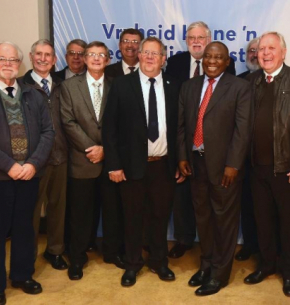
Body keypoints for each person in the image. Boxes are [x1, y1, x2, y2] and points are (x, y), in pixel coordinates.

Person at [103, 36, 183, 287]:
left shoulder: (174, 85)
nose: (149, 57)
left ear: (163, 58)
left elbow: (181, 128)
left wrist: (181, 161)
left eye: (154, 53)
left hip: (163, 165)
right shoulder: (121, 85)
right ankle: (133, 264)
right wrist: (114, 164)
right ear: (138, 55)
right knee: (133, 217)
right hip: (130, 166)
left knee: (160, 216)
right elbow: (110, 129)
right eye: (145, 52)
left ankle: (159, 262)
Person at [243, 32, 290, 297]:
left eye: (271, 48)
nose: (265, 53)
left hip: (288, 170)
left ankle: (289, 273)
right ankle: (266, 265)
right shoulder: (251, 81)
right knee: (262, 221)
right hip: (256, 168)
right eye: (262, 49)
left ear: (283, 52)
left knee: (288, 224)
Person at [177, 41, 252, 296]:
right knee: (204, 219)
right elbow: (182, 126)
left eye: (217, 57)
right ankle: (206, 265)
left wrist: (233, 165)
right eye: (207, 56)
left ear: (227, 61)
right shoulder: (189, 86)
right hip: (195, 163)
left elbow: (243, 132)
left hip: (224, 168)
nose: (211, 61)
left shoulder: (240, 88)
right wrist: (182, 156)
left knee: (224, 221)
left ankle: (219, 274)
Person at [165, 21, 236, 259]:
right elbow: (177, 112)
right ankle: (185, 240)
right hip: (186, 145)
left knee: (215, 208)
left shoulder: (227, 68)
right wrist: (180, 153)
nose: (196, 41)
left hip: (217, 152)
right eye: (191, 37)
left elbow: (229, 111)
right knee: (186, 199)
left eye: (200, 38)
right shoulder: (175, 63)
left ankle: (214, 257)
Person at [60, 41, 124, 281]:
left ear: (108, 60)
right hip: (82, 160)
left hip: (110, 161)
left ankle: (112, 253)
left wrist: (106, 150)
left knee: (112, 212)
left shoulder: (116, 86)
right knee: (79, 214)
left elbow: (121, 123)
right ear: (84, 59)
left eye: (102, 55)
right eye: (92, 55)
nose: (97, 59)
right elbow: (68, 121)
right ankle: (76, 258)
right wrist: (92, 148)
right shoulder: (68, 87)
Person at [0, 41, 54, 304]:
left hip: (30, 174)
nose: (8, 64)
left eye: (12, 60)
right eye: (2, 59)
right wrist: (9, 165)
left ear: (20, 63)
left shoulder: (34, 94)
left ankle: (22, 275)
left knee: (25, 228)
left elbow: (48, 132)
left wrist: (33, 164)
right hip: (2, 176)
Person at [19, 39, 70, 270]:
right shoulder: (21, 86)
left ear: (54, 59)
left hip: (60, 158)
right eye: (38, 54)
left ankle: (55, 251)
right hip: (33, 162)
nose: (43, 58)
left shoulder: (61, 85)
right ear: (31, 57)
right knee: (30, 212)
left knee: (58, 208)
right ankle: (27, 257)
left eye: (48, 55)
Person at [235, 36, 260, 262]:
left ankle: (269, 248)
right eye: (251, 51)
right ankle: (250, 244)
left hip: (267, 156)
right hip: (243, 156)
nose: (255, 54)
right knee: (247, 203)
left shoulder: (281, 80)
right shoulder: (238, 80)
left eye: (258, 50)